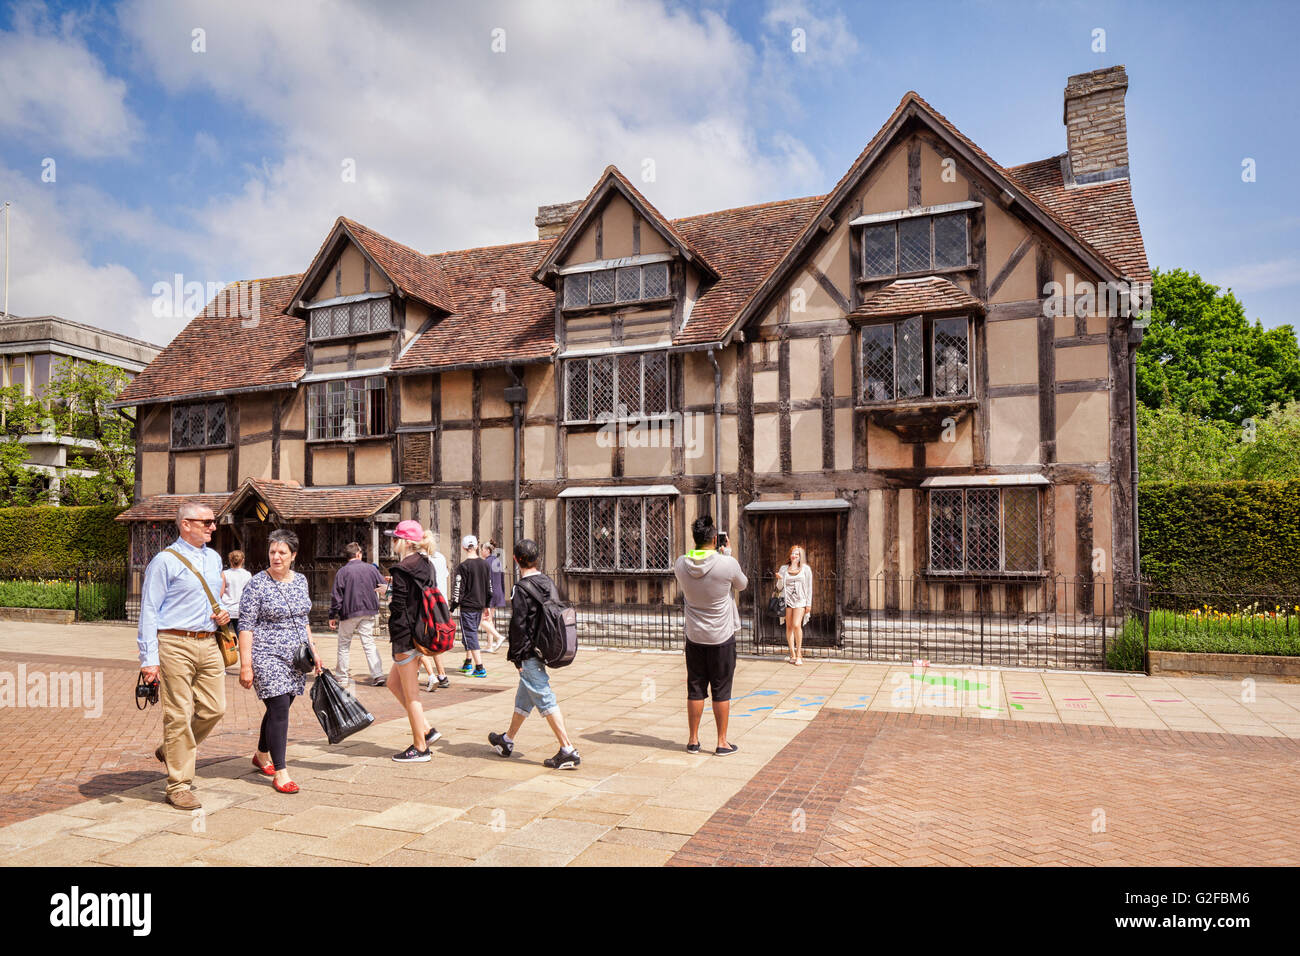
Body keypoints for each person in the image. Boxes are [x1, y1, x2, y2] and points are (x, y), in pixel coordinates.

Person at [137, 502, 230, 810]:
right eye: (206, 522)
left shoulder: (214, 559)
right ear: (185, 524)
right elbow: (149, 610)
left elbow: (213, 598)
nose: (212, 527)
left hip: (208, 641)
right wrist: (149, 659)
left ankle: (170, 748)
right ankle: (178, 785)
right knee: (178, 714)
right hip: (174, 643)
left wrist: (222, 615)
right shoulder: (164, 561)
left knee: (214, 709)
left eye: (213, 522)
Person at [487, 538, 580, 770]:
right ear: (537, 558)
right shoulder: (547, 582)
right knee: (525, 697)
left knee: (544, 696)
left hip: (529, 651)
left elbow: (519, 625)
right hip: (546, 646)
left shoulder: (521, 588)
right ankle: (507, 740)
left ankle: (567, 748)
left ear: (517, 560)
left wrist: (516, 656)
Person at [238, 529, 319, 794]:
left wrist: (314, 651)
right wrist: (246, 665)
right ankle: (281, 772)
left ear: (293, 555)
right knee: (280, 706)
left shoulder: (301, 581)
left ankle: (262, 754)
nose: (276, 556)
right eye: (272, 551)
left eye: (282, 552)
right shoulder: (257, 584)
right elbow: (246, 626)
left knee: (277, 708)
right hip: (266, 654)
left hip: (296, 657)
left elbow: (303, 620)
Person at [674, 515, 748, 756]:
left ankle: (693, 740)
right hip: (721, 636)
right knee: (721, 689)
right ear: (716, 539)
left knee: (695, 688)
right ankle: (721, 742)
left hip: (695, 635)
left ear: (694, 538)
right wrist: (727, 555)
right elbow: (742, 584)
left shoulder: (681, 564)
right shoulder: (727, 564)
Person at [384, 519, 441, 761]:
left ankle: (420, 747)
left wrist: (389, 599)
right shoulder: (427, 564)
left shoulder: (402, 569)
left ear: (406, 542)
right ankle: (426, 730)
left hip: (406, 637)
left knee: (411, 694)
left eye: (395, 538)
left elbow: (398, 607)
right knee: (392, 683)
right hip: (423, 632)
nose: (392, 542)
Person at [328, 541, 388, 690]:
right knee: (368, 643)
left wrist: (332, 615)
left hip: (349, 611)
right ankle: (378, 674)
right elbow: (383, 586)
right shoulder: (371, 569)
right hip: (368, 610)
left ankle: (342, 677)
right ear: (358, 554)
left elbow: (337, 596)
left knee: (344, 644)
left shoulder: (342, 572)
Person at [450, 534, 491, 678]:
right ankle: (468, 662)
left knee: (470, 635)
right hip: (479, 605)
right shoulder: (485, 564)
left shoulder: (463, 566)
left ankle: (479, 667)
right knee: (470, 633)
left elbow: (458, 589)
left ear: (463, 547)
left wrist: (452, 607)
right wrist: (487, 605)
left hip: (468, 606)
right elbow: (489, 587)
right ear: (477, 546)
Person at [417, 530, 451, 692]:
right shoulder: (440, 557)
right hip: (440, 603)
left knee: (419, 640)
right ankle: (442, 675)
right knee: (434, 638)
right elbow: (443, 579)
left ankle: (431, 675)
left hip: (425, 604)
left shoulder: (420, 560)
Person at [776, 545, 813, 666]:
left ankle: (799, 654)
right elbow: (779, 588)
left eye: (797, 554)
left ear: (800, 556)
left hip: (800, 601)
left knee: (797, 625)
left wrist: (808, 603)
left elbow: (809, 587)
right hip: (787, 600)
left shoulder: (806, 569)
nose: (794, 556)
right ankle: (792, 653)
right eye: (792, 553)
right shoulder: (783, 568)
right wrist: (780, 579)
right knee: (789, 626)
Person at [481, 539, 507, 653]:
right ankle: (490, 645)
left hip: (489, 593)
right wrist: (502, 593)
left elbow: (486, 581)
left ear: (487, 550)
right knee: (490, 618)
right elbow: (501, 579)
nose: (481, 552)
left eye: (482, 550)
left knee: (484, 618)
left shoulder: (485, 563)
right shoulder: (497, 561)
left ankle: (497, 638)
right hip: (497, 592)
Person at [219, 550, 252, 637]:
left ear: (230, 560)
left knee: (222, 637)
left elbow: (220, 593)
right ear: (243, 560)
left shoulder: (225, 574)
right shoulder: (248, 575)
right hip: (240, 610)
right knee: (241, 637)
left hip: (226, 610)